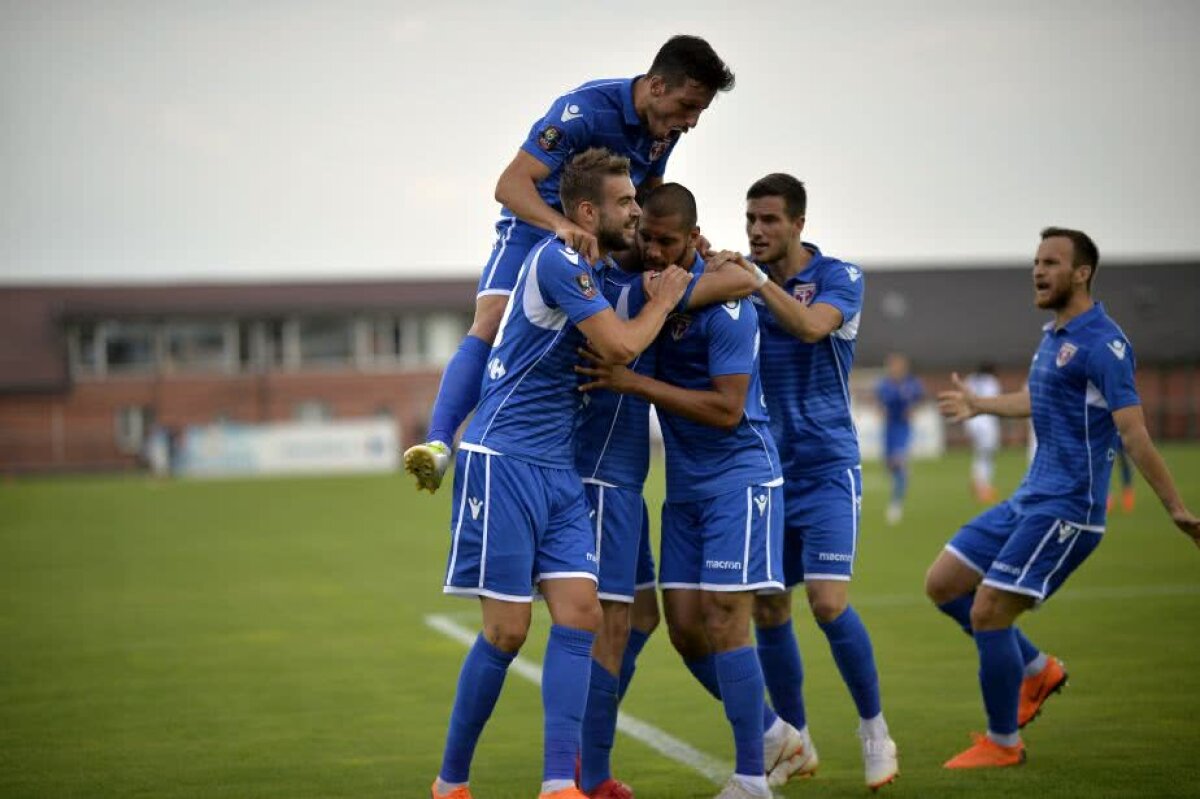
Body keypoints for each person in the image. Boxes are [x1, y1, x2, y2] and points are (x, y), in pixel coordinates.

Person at [431, 148, 692, 799]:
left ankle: (558, 784)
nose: (637, 209)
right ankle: (451, 782)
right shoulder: (556, 260)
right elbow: (622, 345)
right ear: (585, 211)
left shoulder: (594, 268)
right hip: (504, 462)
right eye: (626, 201)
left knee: (579, 616)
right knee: (508, 630)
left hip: (557, 473)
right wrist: (664, 300)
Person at [405, 35, 735, 493]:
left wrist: (691, 246)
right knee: (493, 319)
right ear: (657, 86)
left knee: (630, 308)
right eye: (687, 107)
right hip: (538, 225)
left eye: (699, 112)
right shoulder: (583, 110)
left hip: (604, 236)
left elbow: (652, 194)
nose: (692, 122)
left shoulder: (666, 129)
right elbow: (510, 185)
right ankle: (440, 446)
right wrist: (561, 225)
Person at [929, 226, 1200, 769]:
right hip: (1030, 497)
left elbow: (1134, 433)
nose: (1038, 270)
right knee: (945, 583)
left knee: (988, 611)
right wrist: (983, 406)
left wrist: (1176, 508)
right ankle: (1036, 670)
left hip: (1068, 509)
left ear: (1082, 273)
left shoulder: (1105, 343)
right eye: (1036, 261)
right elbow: (1039, 396)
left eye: (1051, 262)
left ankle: (1003, 743)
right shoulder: (1055, 335)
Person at [577, 196, 784, 799]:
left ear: (695, 235)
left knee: (726, 619)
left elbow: (726, 410)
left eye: (671, 242)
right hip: (685, 490)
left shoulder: (731, 306)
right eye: (651, 241)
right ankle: (773, 732)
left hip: (739, 480)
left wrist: (633, 381)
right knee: (685, 631)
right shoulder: (660, 293)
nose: (659, 254)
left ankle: (752, 777)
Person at [716, 173, 899, 790]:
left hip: (825, 467)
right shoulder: (745, 286)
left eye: (769, 220)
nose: (758, 231)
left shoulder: (841, 278)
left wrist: (755, 281)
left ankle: (874, 730)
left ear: (798, 223)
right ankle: (794, 738)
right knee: (770, 607)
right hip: (768, 472)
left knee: (827, 603)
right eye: (751, 219)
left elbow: (811, 327)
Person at [875, 353, 925, 524]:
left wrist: (913, 410)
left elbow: (920, 398)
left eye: (896, 365)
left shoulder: (912, 384)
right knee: (890, 466)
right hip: (889, 428)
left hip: (903, 428)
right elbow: (879, 401)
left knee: (898, 461)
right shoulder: (884, 385)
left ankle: (895, 505)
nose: (893, 369)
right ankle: (901, 473)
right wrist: (881, 410)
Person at [963, 364, 1003, 503]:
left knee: (979, 454)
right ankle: (983, 488)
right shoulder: (991, 381)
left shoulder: (970, 379)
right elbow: (996, 401)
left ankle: (978, 482)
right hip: (986, 421)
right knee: (987, 456)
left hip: (971, 421)